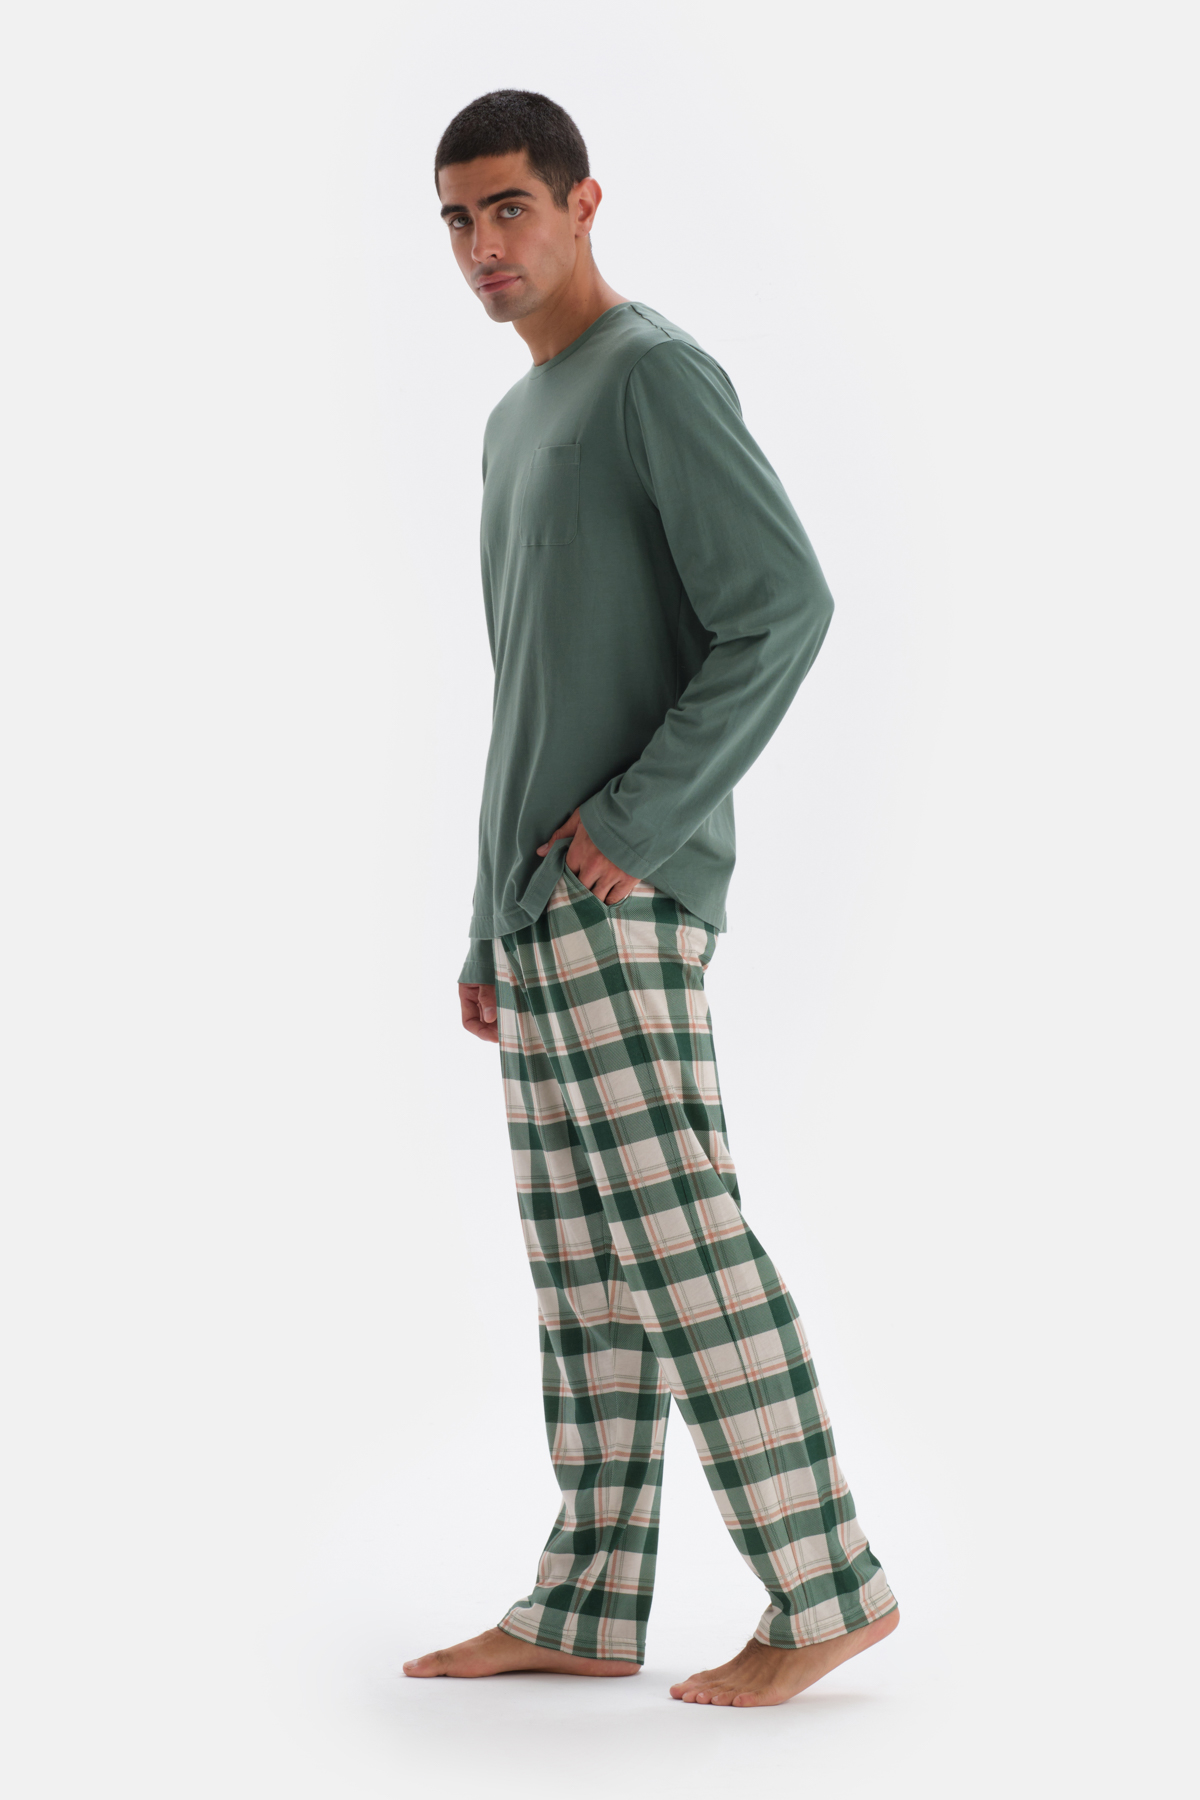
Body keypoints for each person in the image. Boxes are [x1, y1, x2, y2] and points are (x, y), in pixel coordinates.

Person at [404, 89, 898, 1708]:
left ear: (582, 203)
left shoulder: (652, 376)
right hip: (544, 912)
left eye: (510, 208)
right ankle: (587, 1602)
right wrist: (490, 916)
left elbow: (785, 606)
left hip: (627, 896)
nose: (484, 245)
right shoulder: (515, 422)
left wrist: (635, 819)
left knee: (682, 1241)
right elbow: (530, 693)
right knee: (585, 1276)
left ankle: (827, 1587)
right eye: (459, 220)